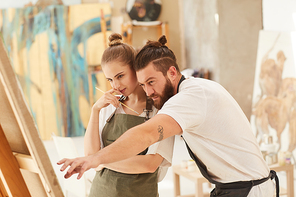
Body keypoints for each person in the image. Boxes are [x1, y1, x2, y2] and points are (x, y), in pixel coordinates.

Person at [58, 35, 279, 197]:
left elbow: (147, 136)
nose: (148, 91)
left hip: (249, 189)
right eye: (143, 84)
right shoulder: (192, 90)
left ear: (172, 72)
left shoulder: (189, 98)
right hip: (231, 187)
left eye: (152, 82)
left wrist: (95, 159)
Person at [83, 33, 174, 197]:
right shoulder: (107, 107)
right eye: (110, 80)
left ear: (135, 68)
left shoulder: (159, 110)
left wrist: (101, 159)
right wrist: (95, 110)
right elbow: (90, 155)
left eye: (120, 76)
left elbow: (150, 164)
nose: (116, 85)